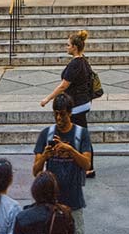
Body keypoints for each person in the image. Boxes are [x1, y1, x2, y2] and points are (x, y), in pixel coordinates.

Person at [42, 31, 98, 176]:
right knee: (80, 132)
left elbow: (63, 86)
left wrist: (47, 99)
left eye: (68, 45)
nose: (66, 47)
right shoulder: (83, 60)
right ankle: (85, 165)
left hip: (77, 105)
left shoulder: (75, 64)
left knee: (76, 134)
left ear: (74, 47)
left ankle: (87, 166)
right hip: (83, 102)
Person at [36, 94, 94, 233]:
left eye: (62, 114)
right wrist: (45, 155)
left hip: (74, 202)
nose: (58, 118)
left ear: (70, 112)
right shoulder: (46, 134)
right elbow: (35, 171)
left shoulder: (81, 134)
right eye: (56, 114)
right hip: (51, 204)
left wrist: (70, 150)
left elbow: (87, 165)